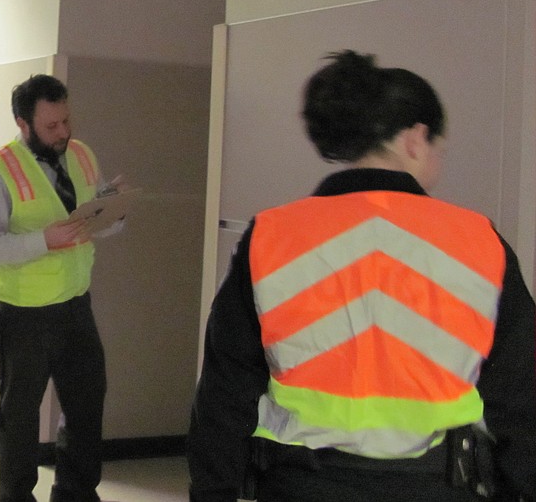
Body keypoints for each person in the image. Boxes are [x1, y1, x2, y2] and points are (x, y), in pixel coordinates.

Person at [187, 50, 536, 502]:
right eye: (438, 148)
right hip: (440, 487)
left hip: (298, 485)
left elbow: (224, 391)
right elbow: (521, 398)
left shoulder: (272, 236)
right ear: (415, 138)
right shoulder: (478, 241)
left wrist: (213, 492)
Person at [0, 73, 127, 502]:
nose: (62, 133)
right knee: (20, 420)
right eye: (51, 126)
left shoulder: (82, 155)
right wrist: (44, 240)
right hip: (22, 313)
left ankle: (75, 493)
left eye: (66, 121)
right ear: (23, 123)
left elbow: (89, 222)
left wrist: (113, 210)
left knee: (86, 404)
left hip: (76, 305)